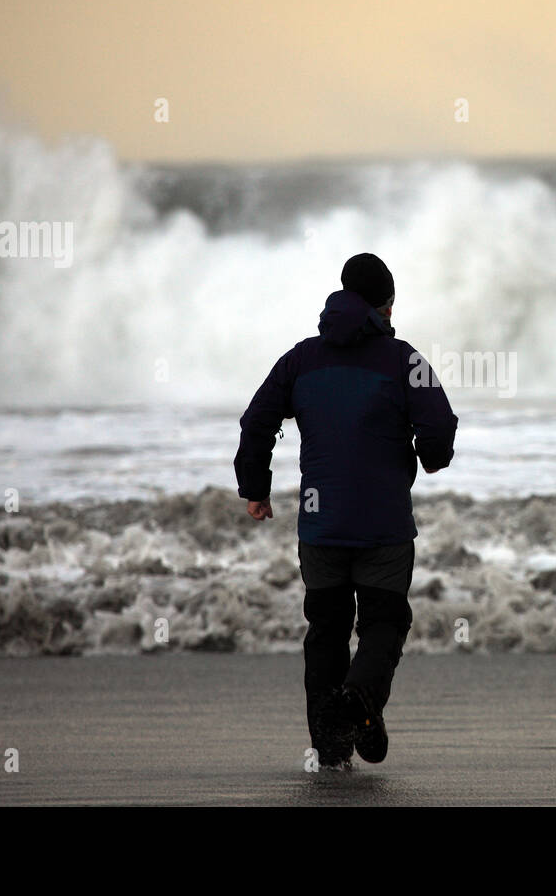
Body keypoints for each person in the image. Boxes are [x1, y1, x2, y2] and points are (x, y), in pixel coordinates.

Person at [234, 253, 457, 769]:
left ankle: (329, 745)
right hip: (383, 526)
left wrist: (255, 487)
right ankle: (358, 700)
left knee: (326, 628)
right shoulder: (405, 360)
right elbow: (440, 427)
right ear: (385, 305)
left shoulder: (301, 359)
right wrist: (430, 457)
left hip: (322, 523)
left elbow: (257, 419)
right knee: (384, 622)